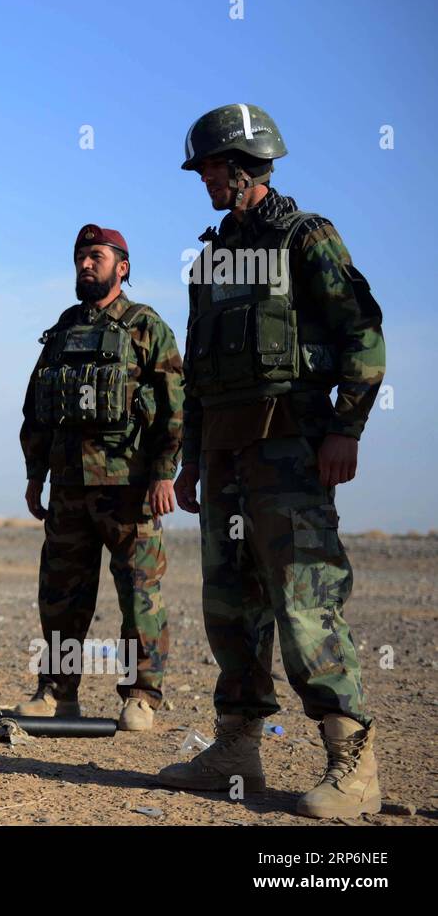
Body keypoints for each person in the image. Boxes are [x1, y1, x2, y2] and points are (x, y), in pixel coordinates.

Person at [157, 104, 386, 818]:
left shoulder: (304, 237)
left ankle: (353, 760)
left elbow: (363, 337)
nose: (205, 182)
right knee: (231, 606)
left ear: (244, 166)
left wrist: (346, 428)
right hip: (224, 458)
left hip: (291, 451)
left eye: (212, 170)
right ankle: (237, 748)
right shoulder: (210, 261)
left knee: (304, 600)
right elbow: (196, 371)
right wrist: (191, 461)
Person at [15, 224, 183, 731]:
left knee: (140, 595)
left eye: (96, 256)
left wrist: (163, 473)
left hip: (130, 488)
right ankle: (58, 693)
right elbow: (37, 406)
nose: (85, 264)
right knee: (61, 597)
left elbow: (176, 405)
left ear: (121, 267)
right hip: (68, 488)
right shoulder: (63, 329)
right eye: (80, 257)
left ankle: (141, 695)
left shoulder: (146, 326)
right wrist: (34, 473)